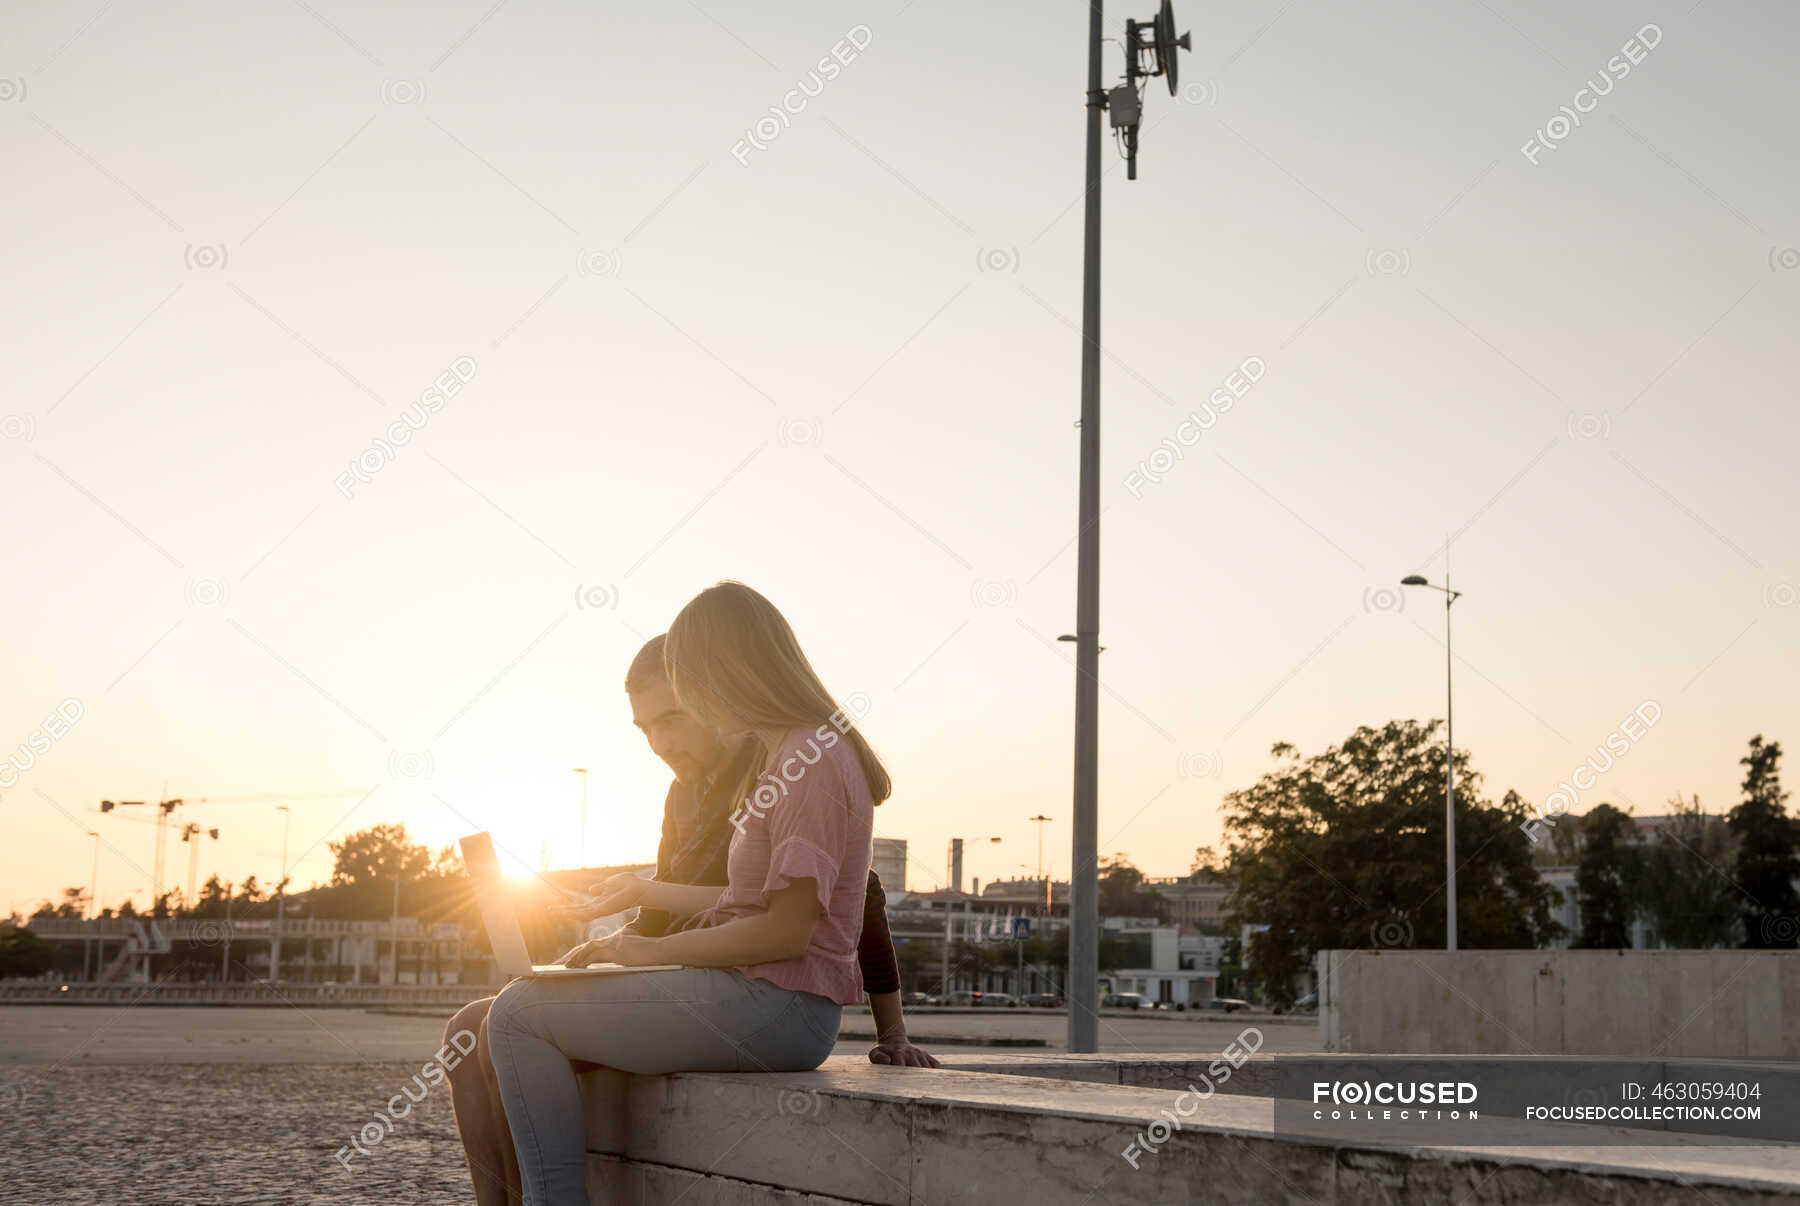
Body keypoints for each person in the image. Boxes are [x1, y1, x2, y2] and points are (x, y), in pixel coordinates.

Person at [442, 628, 936, 1204]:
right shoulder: (683, 795)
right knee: (467, 1029)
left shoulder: (772, 763)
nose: (657, 741)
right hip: (687, 978)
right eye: (644, 727)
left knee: (513, 1018)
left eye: (670, 719)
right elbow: (664, 917)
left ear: (710, 698)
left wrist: (893, 1031)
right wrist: (596, 953)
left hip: (739, 987)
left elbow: (858, 897)